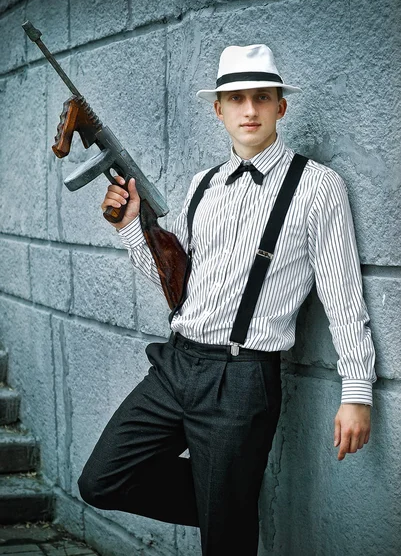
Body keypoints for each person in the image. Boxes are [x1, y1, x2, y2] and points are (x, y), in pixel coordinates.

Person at [77, 44, 377, 556]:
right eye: (236, 99)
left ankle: (229, 516)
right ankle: (228, 507)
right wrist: (132, 228)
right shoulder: (203, 186)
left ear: (281, 106)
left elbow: (343, 296)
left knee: (225, 544)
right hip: (176, 365)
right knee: (102, 480)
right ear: (218, 109)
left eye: (262, 98)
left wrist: (357, 392)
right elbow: (179, 287)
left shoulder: (317, 187)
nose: (250, 110)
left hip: (242, 380)